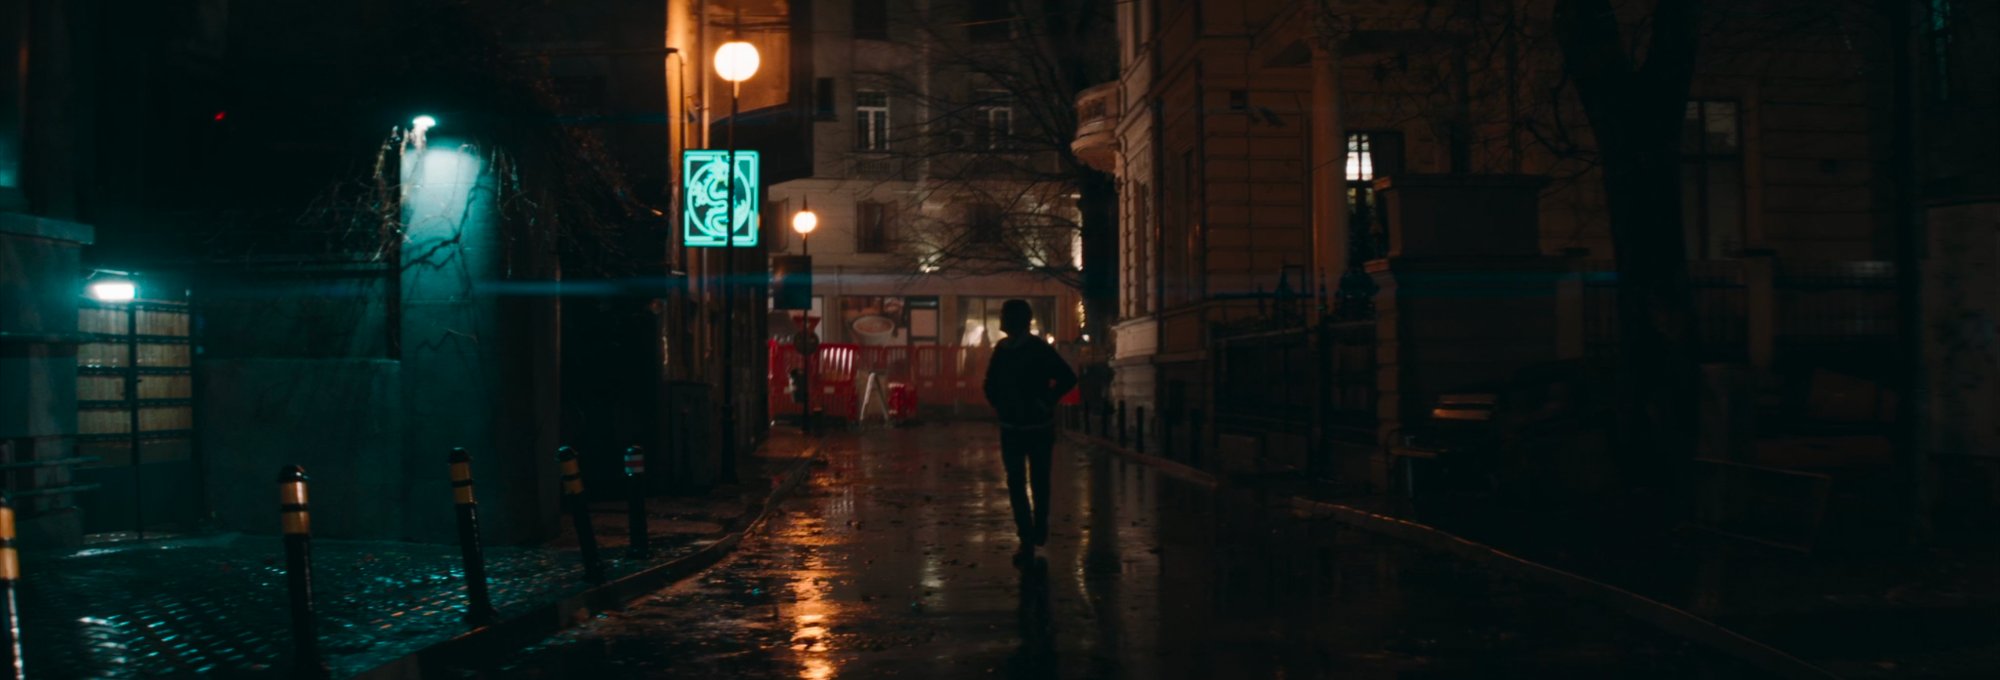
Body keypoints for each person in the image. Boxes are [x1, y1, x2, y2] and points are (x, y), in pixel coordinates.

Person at [982, 300, 1078, 558]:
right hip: (1016, 426)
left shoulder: (1037, 349)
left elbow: (1067, 377)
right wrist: (1002, 405)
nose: (1001, 319)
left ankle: (1037, 530)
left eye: (1005, 315)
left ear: (1017, 320)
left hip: (1035, 427)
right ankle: (1027, 534)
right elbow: (989, 383)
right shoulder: (1003, 349)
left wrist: (1045, 401)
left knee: (1036, 481)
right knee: (1019, 482)